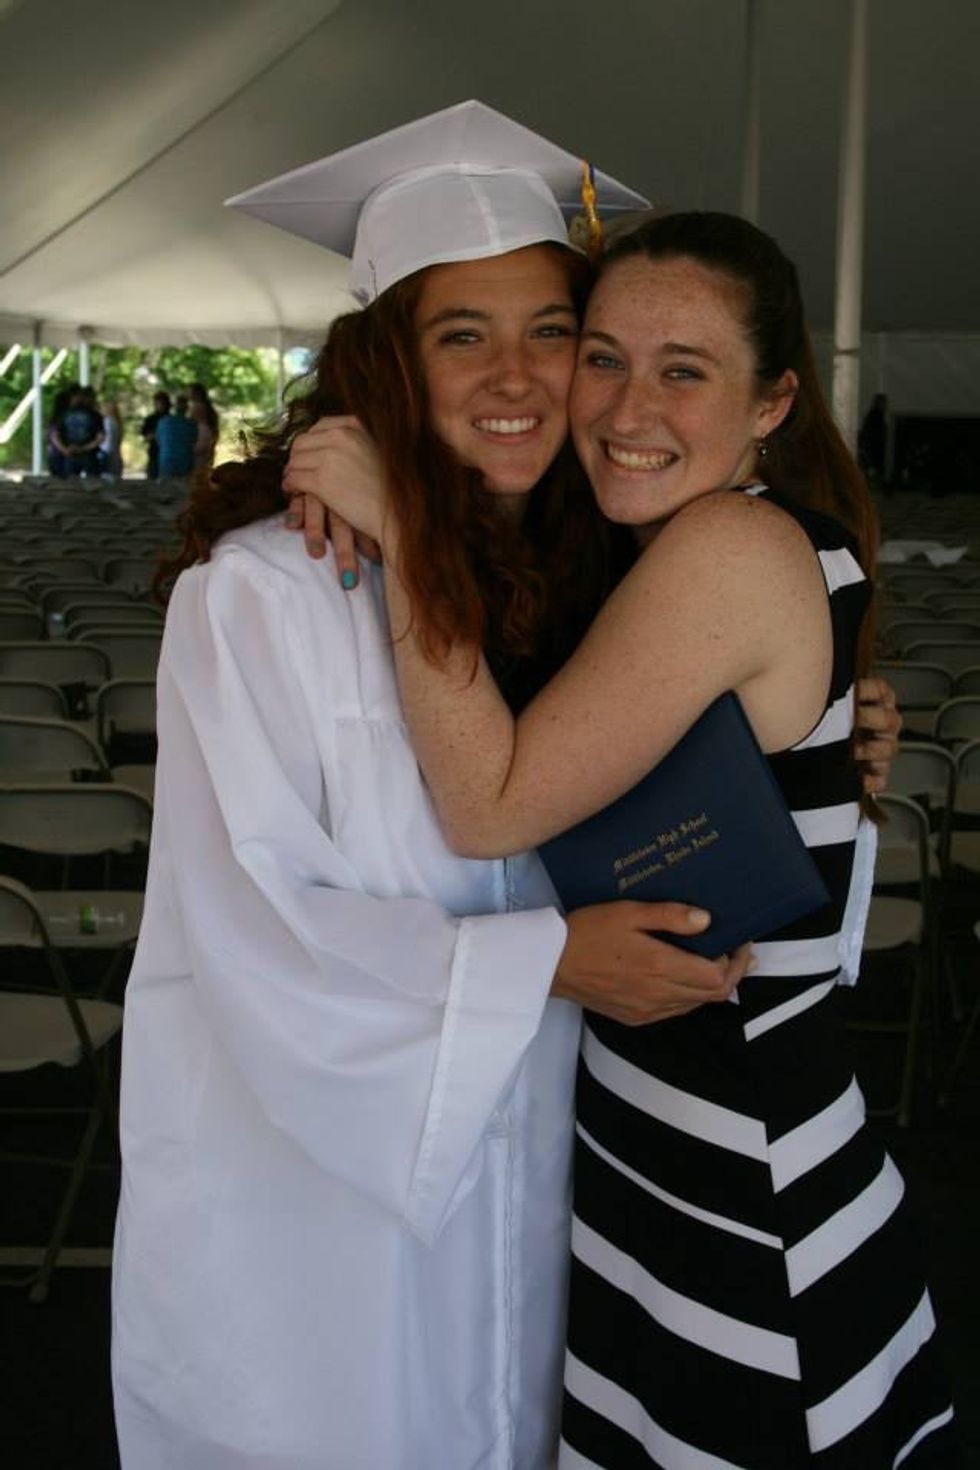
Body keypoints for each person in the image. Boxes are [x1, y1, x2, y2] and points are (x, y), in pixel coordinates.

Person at [112, 104, 758, 1470]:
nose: (515, 376)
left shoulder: (598, 582)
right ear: (387, 366)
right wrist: (545, 966)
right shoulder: (269, 595)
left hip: (541, 1154)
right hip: (318, 1194)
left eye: (551, 333)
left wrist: (831, 739)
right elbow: (248, 921)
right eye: (461, 334)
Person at [288, 210, 955, 1467]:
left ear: (770, 403)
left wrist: (403, 531)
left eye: (682, 370)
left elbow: (488, 806)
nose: (625, 407)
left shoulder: (726, 545)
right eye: (601, 357)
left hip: (742, 1177)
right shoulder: (672, 547)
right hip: (681, 1151)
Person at [50, 383, 103, 476]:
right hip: (78, 454)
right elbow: (55, 434)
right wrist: (67, 450)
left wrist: (66, 449)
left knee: (73, 478)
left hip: (79, 454)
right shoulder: (63, 414)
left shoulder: (64, 414)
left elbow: (100, 436)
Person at [154, 392, 198, 478]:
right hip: (185, 461)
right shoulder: (191, 424)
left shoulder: (163, 421)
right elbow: (194, 441)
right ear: (187, 408)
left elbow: (158, 441)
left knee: (166, 485)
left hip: (166, 461)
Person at [188, 381, 219, 470]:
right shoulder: (210, 409)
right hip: (208, 442)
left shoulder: (196, 407)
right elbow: (215, 431)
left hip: (199, 442)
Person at [140, 390, 171, 479]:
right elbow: (145, 436)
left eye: (163, 402)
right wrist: (154, 436)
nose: (161, 405)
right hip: (154, 453)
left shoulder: (172, 419)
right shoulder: (150, 419)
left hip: (169, 455)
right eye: (158, 402)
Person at [100, 398, 124, 478]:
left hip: (106, 451)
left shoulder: (107, 421)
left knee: (106, 476)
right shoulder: (117, 422)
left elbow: (106, 437)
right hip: (115, 452)